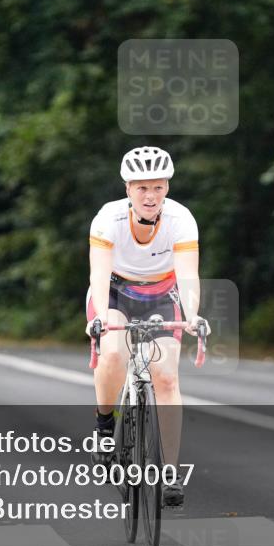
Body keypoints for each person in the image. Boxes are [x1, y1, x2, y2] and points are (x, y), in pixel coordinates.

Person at [85, 146, 206, 507]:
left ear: (167, 187)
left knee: (166, 377)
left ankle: (169, 472)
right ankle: (105, 425)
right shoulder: (108, 220)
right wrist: (102, 319)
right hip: (115, 292)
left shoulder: (182, 220)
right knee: (112, 356)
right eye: (142, 188)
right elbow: (99, 273)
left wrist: (193, 314)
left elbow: (188, 277)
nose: (150, 196)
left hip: (161, 293)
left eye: (157, 187)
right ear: (128, 190)